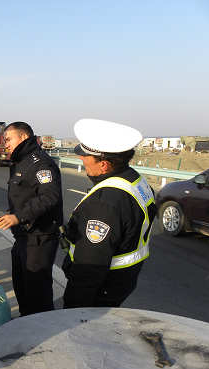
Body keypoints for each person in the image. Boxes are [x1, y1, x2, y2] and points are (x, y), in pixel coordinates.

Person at [61, 119, 157, 308]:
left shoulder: (105, 203)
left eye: (85, 157)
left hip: (100, 289)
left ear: (104, 165)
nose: (81, 159)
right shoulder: (136, 180)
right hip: (122, 281)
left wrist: (72, 307)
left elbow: (90, 265)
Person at [0, 122, 63, 316]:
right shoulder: (21, 161)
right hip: (24, 237)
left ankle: (42, 334)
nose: (5, 144)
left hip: (39, 238)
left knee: (37, 295)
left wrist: (18, 217)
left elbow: (50, 196)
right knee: (22, 289)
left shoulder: (40, 163)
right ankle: (25, 327)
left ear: (23, 137)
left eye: (8, 139)